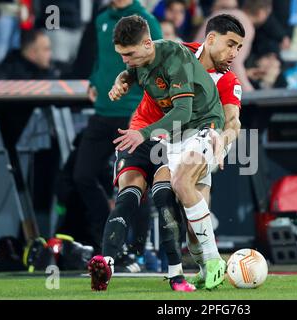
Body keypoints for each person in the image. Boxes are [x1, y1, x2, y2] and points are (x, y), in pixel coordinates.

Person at [88, 14, 241, 292]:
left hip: (198, 129)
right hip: (158, 133)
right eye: (230, 45)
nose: (234, 53)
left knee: (176, 189)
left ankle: (195, 267)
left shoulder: (221, 78)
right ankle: (119, 261)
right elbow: (134, 68)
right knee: (140, 191)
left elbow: (229, 120)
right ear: (210, 39)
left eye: (238, 47)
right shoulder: (167, 50)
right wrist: (122, 80)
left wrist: (225, 141)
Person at [72, 0, 162, 253]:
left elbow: (158, 63)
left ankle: (138, 250)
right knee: (82, 175)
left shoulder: (147, 21)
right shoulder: (101, 20)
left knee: (136, 181)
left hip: (133, 115)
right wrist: (93, 80)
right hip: (103, 111)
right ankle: (110, 237)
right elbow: (100, 59)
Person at [194, 0, 272, 92]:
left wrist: (245, 73)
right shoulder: (245, 25)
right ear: (261, 13)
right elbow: (233, 63)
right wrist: (251, 94)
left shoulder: (221, 14)